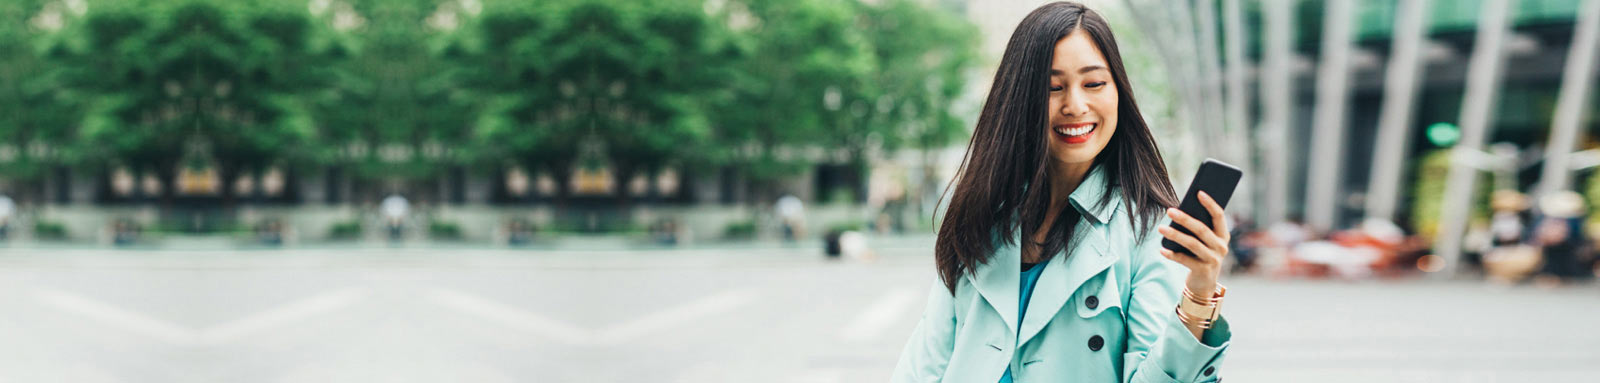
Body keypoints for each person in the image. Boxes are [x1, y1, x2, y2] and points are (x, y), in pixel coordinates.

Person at [893, 3, 1232, 382]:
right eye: (1053, 88)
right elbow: (925, 365)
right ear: (1018, 100)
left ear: (1118, 91)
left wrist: (1200, 293)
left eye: (1094, 84)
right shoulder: (979, 216)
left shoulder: (1146, 230)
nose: (1075, 105)